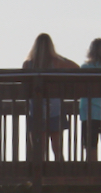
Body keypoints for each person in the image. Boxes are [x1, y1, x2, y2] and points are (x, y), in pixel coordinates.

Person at [22, 34, 79, 162]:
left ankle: (40, 179)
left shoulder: (28, 64)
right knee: (57, 150)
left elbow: (24, 85)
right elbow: (76, 67)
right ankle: (60, 178)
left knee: (38, 151)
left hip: (35, 109)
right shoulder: (57, 61)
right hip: (55, 108)